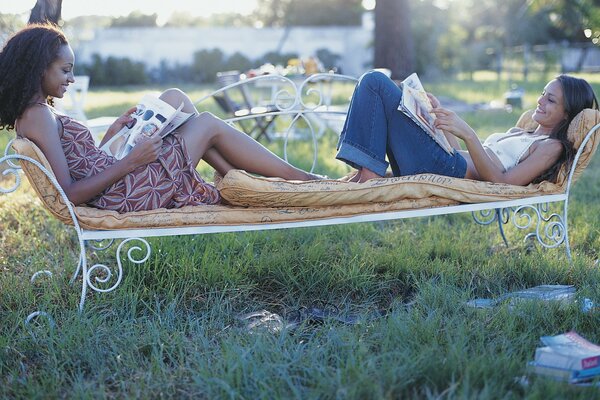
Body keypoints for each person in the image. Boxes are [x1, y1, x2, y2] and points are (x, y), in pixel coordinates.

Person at [0, 24, 320, 213]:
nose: (70, 79)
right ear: (39, 67)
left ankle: (243, 180)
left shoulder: (36, 112)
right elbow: (68, 193)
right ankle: (289, 179)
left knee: (175, 98)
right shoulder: (38, 114)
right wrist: (132, 161)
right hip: (127, 192)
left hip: (121, 181)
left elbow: (79, 162)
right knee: (206, 123)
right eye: (65, 70)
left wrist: (114, 132)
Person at [336, 70, 598, 185]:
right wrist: (440, 120)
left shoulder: (549, 147)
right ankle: (366, 174)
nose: (539, 100)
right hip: (447, 162)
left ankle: (369, 175)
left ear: (568, 113)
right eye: (543, 93)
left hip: (448, 168)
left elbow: (503, 181)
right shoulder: (524, 132)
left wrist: (469, 132)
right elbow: (460, 155)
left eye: (550, 100)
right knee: (386, 90)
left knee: (376, 83)